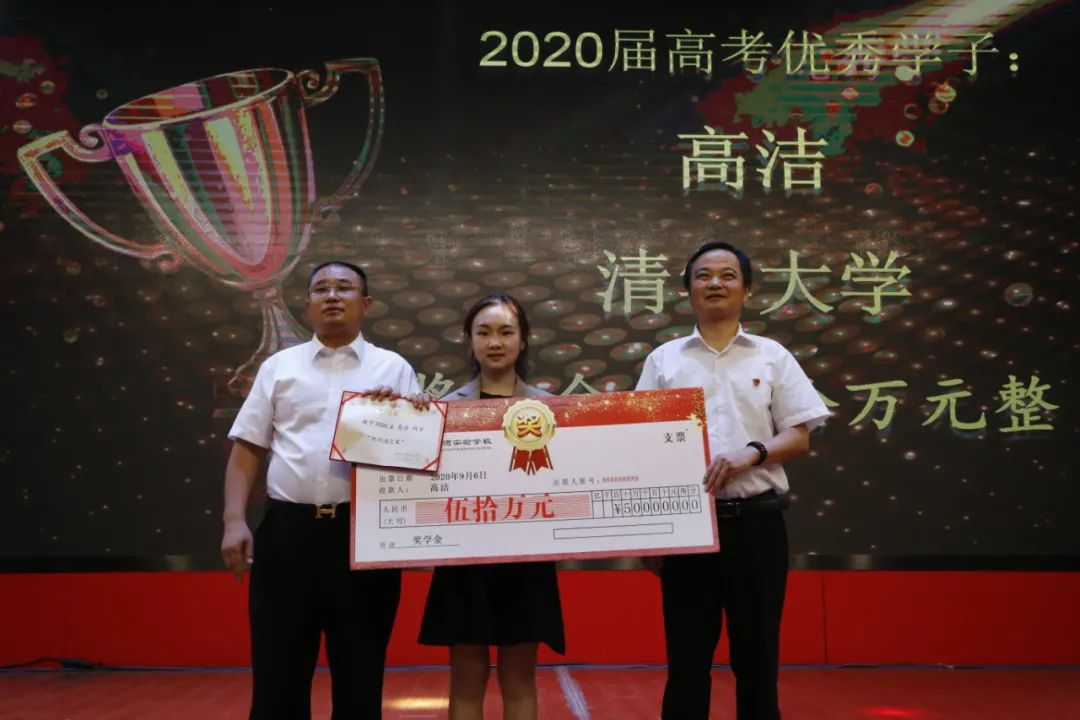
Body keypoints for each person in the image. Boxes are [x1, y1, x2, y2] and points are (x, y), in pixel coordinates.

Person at [221, 260, 426, 720]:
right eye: (321, 289)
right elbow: (247, 448)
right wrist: (234, 521)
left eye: (344, 287)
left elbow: (413, 455)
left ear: (366, 303)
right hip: (287, 535)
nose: (332, 296)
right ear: (308, 303)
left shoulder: (393, 368)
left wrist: (416, 414)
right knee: (278, 674)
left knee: (360, 675)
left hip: (362, 539)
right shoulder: (279, 367)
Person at [635, 242, 829, 720]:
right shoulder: (664, 360)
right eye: (703, 275)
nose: (715, 283)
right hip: (689, 530)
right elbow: (641, 443)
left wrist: (753, 453)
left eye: (727, 274)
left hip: (757, 526)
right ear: (687, 290)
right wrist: (651, 535)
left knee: (757, 661)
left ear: (747, 289)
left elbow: (799, 435)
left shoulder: (771, 356)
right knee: (687, 662)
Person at [419, 292, 565, 720]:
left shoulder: (552, 410)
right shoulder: (442, 410)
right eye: (483, 332)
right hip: (463, 561)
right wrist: (413, 421)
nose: (495, 342)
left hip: (527, 559)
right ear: (470, 340)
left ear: (524, 340)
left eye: (506, 332)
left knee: (519, 680)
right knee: (466, 679)